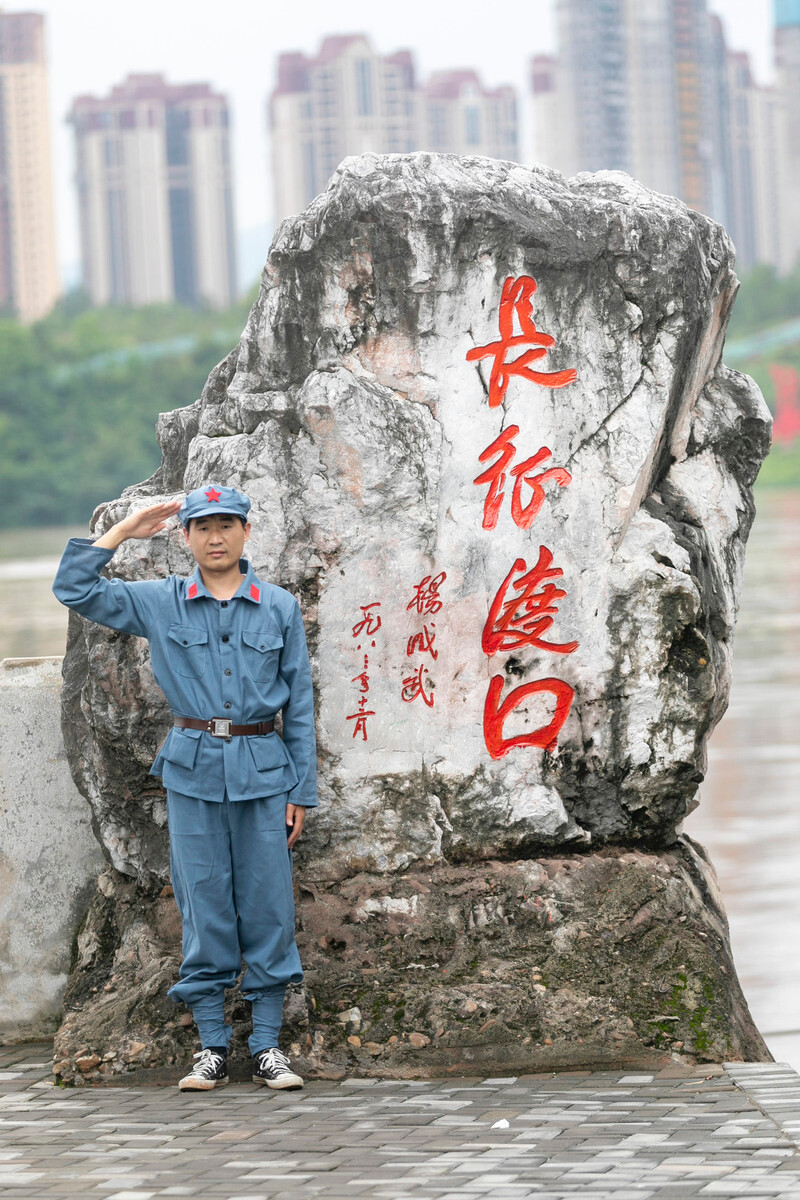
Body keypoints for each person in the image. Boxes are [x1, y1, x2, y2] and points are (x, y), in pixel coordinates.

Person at [53, 484, 317, 1093]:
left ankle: (269, 1046)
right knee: (203, 902)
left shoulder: (278, 606)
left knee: (268, 904)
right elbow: (75, 589)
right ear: (185, 536)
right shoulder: (161, 601)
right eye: (203, 527)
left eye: (227, 525)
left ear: (247, 532)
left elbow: (299, 705)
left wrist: (302, 790)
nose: (216, 537)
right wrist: (122, 530)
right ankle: (212, 1047)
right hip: (194, 772)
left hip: (264, 773)